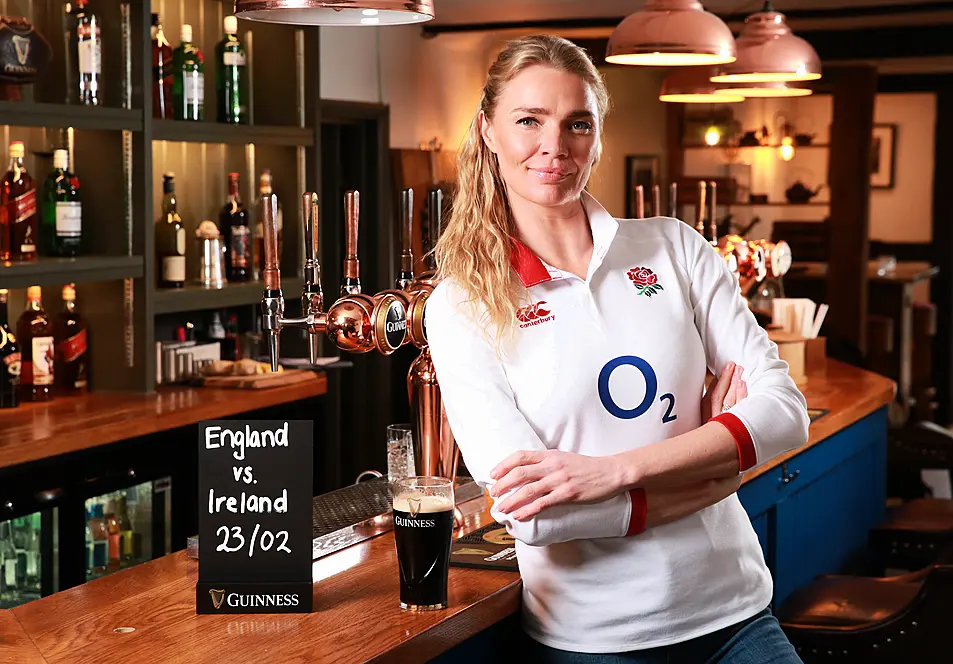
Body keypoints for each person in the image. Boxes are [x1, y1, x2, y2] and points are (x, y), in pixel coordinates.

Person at [425, 35, 811, 663]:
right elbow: (534, 517)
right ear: (489, 131)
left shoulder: (674, 247)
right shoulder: (462, 304)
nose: (554, 146)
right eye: (529, 120)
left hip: (737, 613)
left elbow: (784, 411)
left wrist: (613, 472)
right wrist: (715, 467)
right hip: (596, 639)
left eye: (577, 123)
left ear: (598, 135)